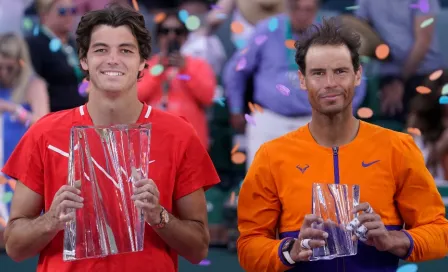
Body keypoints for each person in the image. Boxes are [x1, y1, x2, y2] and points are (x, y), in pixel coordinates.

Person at [2, 4, 220, 271]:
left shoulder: (179, 134)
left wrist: (158, 216)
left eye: (126, 50)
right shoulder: (45, 133)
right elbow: (13, 246)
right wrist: (51, 219)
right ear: (84, 60)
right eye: (101, 49)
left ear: (143, 62)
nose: (113, 59)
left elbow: (198, 249)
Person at [237, 18, 448, 272]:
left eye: (340, 71)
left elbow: (440, 232)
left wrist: (394, 240)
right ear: (302, 80)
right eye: (318, 73)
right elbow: (248, 247)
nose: (330, 84)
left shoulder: (397, 147)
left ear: (357, 75)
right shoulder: (272, 155)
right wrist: (290, 251)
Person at [223, 0, 367, 170]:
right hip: (269, 117)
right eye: (297, 9)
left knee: (318, 181)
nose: (302, 15)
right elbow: (237, 69)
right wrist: (236, 108)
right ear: (288, 8)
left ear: (316, 9)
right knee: (259, 180)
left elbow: (354, 73)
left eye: (308, 10)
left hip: (316, 119)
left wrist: (346, 112)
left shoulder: (331, 34)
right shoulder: (268, 29)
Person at [355, 0, 446, 129]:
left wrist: (399, 82)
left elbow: (423, 43)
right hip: (388, 75)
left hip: (426, 72)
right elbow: (360, 33)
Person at [137, 11, 216, 150]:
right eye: (165, 31)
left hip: (191, 144)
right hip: (154, 144)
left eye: (178, 31)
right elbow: (137, 97)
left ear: (185, 37)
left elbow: (208, 97)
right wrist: (158, 70)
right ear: (158, 37)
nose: (171, 36)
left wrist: (185, 69)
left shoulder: (198, 65)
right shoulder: (147, 66)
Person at [0, 33, 49, 249]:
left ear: (20, 62)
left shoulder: (34, 85)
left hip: (22, 168)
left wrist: (14, 110)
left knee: (19, 225)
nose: (4, 73)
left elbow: (43, 125)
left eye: (9, 68)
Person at [28, 0, 87, 112]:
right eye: (62, 11)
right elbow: (33, 84)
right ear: (44, 15)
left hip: (80, 112)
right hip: (54, 114)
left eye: (73, 10)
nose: (69, 16)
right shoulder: (34, 44)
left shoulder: (74, 43)